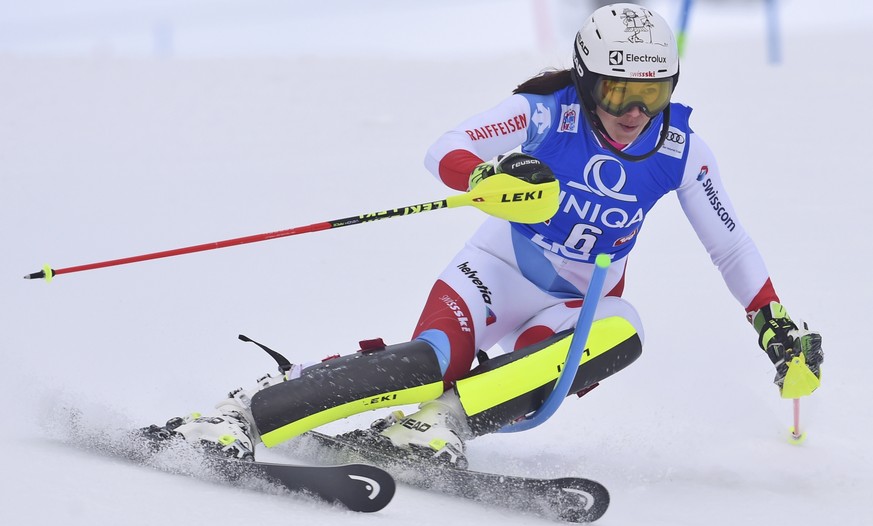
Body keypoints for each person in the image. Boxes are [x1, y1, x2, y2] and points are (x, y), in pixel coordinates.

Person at [146, 3, 824, 466]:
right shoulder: (543, 115)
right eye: (618, 94)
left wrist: (776, 329)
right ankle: (247, 410)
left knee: (622, 330)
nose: (635, 114)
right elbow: (444, 149)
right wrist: (488, 173)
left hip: (573, 307)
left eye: (652, 93)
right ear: (588, 84)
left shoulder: (682, 150)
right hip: (495, 274)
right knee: (431, 362)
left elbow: (729, 245)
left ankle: (436, 424)